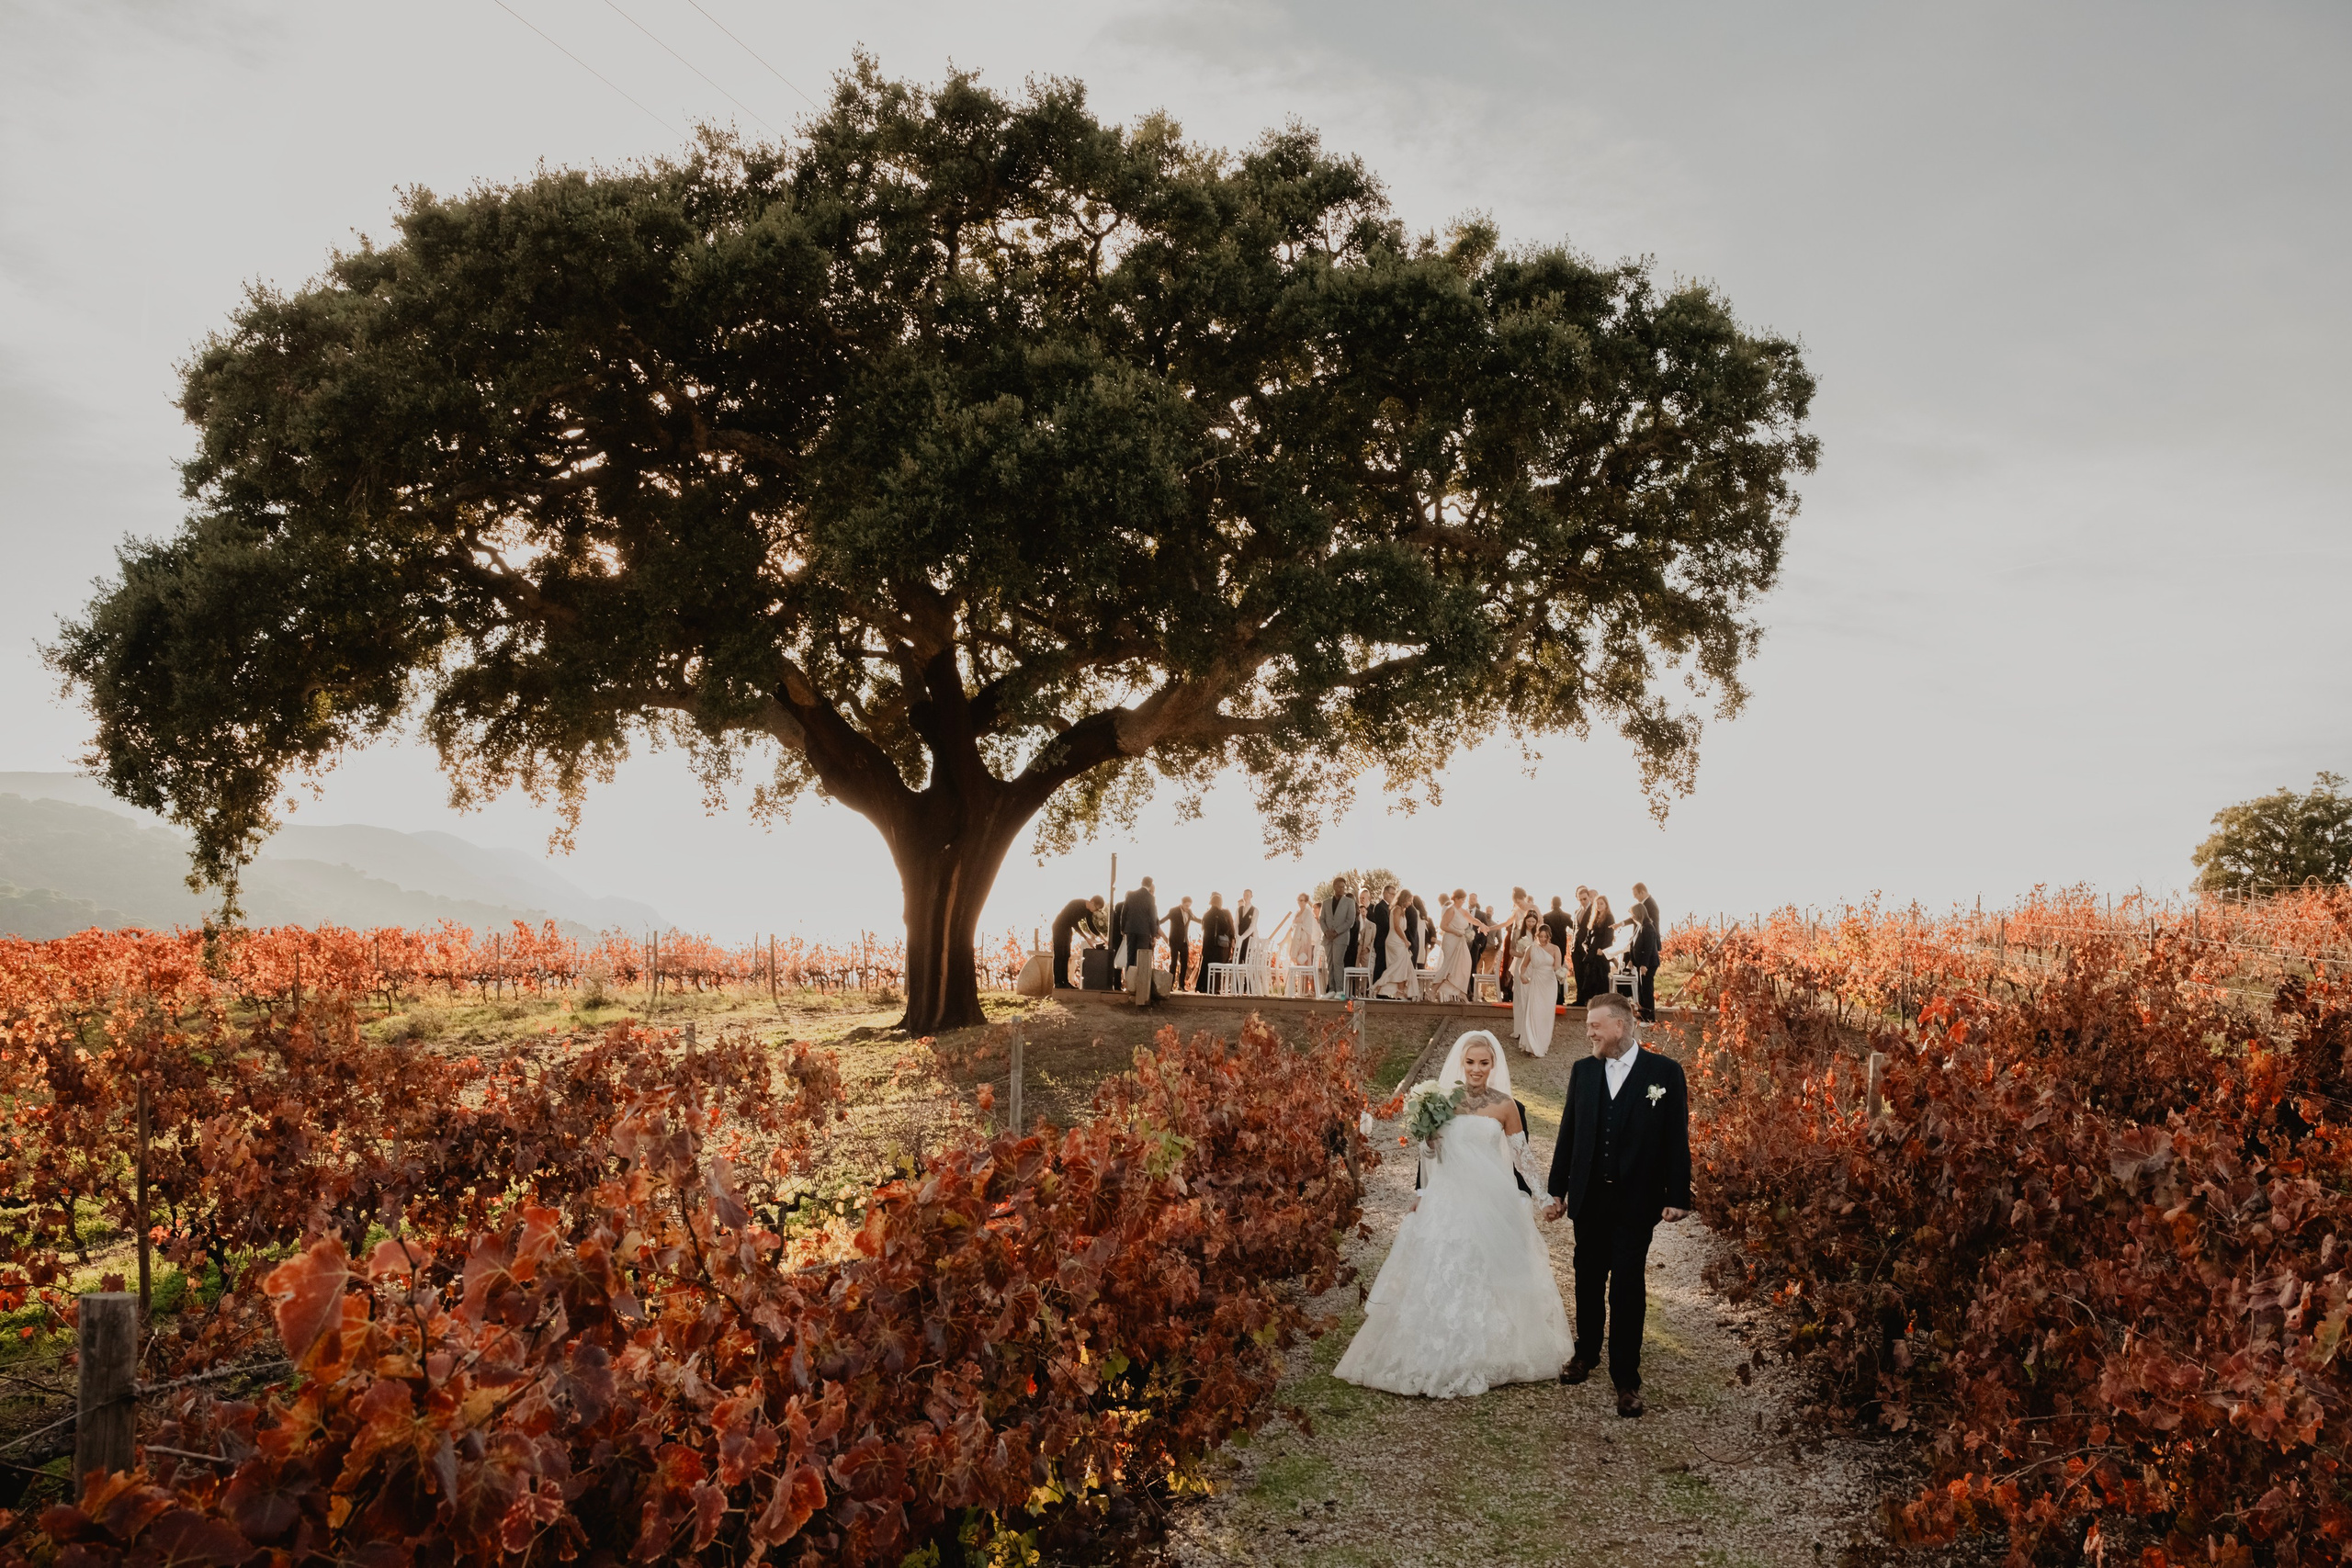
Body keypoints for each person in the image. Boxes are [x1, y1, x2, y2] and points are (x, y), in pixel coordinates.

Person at [1334, 1032, 1573, 1397]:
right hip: (1449, 1196)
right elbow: (1429, 1156)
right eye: (1470, 1062)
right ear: (1461, 1064)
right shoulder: (1440, 1102)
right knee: (1446, 1267)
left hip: (1493, 1198)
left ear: (1493, 1066)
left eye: (1484, 1063)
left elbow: (1523, 1157)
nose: (1476, 1070)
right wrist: (1423, 1182)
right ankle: (1437, 1346)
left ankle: (1493, 1350)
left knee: (1491, 1268)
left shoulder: (1506, 1106)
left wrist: (1542, 1198)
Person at [1542, 993, 1693, 1416]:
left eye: (1595, 1025)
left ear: (1620, 1027)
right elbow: (1568, 1132)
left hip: (1636, 1202)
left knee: (1627, 1287)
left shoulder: (1663, 1073)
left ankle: (1626, 1379)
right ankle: (1585, 1355)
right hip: (1589, 1198)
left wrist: (1678, 1196)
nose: (1588, 1031)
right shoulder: (1583, 1072)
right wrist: (1558, 1188)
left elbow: (1675, 1139)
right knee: (1587, 1278)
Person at [1514, 924, 1563, 1055]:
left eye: (1545, 936)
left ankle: (1542, 1044)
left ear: (1549, 936)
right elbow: (1523, 966)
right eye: (1540, 936)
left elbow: (1557, 967)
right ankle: (1532, 1045)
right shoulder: (1531, 949)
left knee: (1545, 1014)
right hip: (1535, 982)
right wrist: (1522, 975)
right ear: (1537, 936)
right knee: (1535, 1012)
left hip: (1549, 983)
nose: (1542, 939)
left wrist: (1562, 974)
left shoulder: (1555, 949)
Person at [1429, 889, 1476, 1002]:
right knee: (1449, 966)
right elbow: (1443, 926)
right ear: (1457, 899)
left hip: (1461, 940)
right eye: (1462, 899)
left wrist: (1483, 926)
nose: (1464, 901)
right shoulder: (1451, 910)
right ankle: (1433, 990)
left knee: (1465, 964)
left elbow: (1473, 920)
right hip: (1451, 940)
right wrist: (1456, 931)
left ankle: (1461, 991)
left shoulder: (1463, 911)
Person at [1374, 887, 1420, 999]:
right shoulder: (1397, 909)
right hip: (1394, 942)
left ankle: (1400, 991)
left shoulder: (1402, 910)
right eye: (1409, 900)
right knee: (1397, 967)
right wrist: (1405, 940)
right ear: (1404, 899)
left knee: (1402, 967)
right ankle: (1378, 987)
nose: (1410, 903)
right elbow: (1396, 927)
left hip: (1399, 941)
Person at [1050, 895, 1105, 989]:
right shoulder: (1077, 904)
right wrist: (1086, 938)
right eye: (1096, 908)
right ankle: (1058, 983)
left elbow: (1090, 925)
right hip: (1059, 927)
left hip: (1067, 929)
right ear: (1092, 902)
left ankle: (1065, 982)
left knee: (1066, 955)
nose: (1095, 911)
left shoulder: (1088, 911)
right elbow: (1074, 923)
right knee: (1059, 955)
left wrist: (1103, 938)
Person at [1121, 877, 1161, 1008]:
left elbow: (1124, 912)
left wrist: (1123, 928)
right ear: (1150, 885)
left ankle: (1129, 986)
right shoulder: (1150, 898)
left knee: (1130, 957)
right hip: (1144, 931)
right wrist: (1153, 934)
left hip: (1131, 929)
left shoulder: (1131, 895)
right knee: (1141, 959)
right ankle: (1140, 987)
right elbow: (1152, 917)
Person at [1625, 886, 1662, 1021]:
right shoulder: (1640, 926)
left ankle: (1649, 1017)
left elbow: (1648, 948)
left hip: (1648, 964)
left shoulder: (1648, 927)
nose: (1632, 918)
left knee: (1647, 991)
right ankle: (1643, 1014)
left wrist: (1644, 965)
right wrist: (1631, 959)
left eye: (1633, 915)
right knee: (1642, 990)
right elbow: (1633, 944)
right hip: (1641, 964)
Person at [1319, 876, 1356, 999]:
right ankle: (1332, 990)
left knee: (1338, 962)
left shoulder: (1349, 902)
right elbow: (1322, 919)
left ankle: (1340, 991)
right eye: (1339, 887)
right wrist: (1326, 932)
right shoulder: (1326, 902)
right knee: (1330, 963)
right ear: (1334, 887)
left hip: (1341, 937)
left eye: (1343, 887)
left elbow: (1350, 921)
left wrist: (1336, 931)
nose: (1342, 889)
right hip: (1328, 938)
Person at [1281, 894, 1321, 997]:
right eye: (1298, 900)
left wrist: (1299, 923)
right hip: (1296, 941)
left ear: (1306, 901)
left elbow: (1309, 928)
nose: (1300, 902)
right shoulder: (1297, 912)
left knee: (1305, 963)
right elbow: (1292, 927)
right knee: (1298, 964)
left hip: (1305, 941)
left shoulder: (1308, 913)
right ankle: (1301, 990)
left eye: (1302, 900)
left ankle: (1310, 990)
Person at [1584, 894, 1618, 1003]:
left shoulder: (1609, 917)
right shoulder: (1594, 917)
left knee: (1601, 977)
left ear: (1606, 905)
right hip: (1592, 951)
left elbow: (1609, 936)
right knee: (1591, 976)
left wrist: (1603, 950)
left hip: (1601, 952)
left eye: (1601, 903)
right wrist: (1585, 944)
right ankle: (1592, 1001)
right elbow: (1589, 935)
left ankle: (1602, 1002)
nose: (1599, 905)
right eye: (1597, 903)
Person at [1199, 892, 1237, 990]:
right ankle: (1213, 987)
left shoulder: (1206, 914)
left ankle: (1201, 986)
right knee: (1216, 966)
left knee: (1205, 964)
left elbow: (1203, 928)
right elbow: (1225, 927)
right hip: (1217, 945)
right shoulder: (1221, 913)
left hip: (1207, 943)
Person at [1543, 897, 1575, 1005]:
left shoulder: (1546, 917)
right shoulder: (1566, 916)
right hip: (1561, 947)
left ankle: (1550, 995)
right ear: (1560, 904)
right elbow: (1574, 927)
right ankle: (1560, 997)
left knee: (1549, 970)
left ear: (1551, 904)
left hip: (1549, 946)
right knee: (1559, 970)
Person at [1163, 895, 1197, 990]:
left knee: (1184, 963)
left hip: (1184, 941)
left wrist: (1205, 921)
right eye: (1186, 905)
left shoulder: (1190, 912)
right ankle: (1170, 985)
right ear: (1182, 904)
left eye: (1189, 906)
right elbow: (1164, 919)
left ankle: (1181, 985)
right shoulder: (1173, 911)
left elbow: (1196, 919)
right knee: (1173, 963)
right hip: (1174, 941)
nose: (1187, 908)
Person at [1366, 884, 1395, 989]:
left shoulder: (1388, 907)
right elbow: (1385, 925)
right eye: (1392, 894)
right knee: (1380, 967)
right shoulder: (1380, 907)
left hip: (1386, 942)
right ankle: (1377, 989)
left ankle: (1382, 990)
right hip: (1382, 942)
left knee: (1383, 967)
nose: (1394, 896)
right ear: (1385, 894)